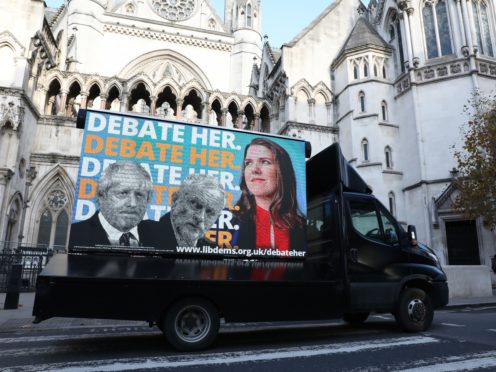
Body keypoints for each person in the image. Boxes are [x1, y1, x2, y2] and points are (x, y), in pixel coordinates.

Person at [234, 138, 306, 253]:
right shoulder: (231, 220)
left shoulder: (301, 226)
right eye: (248, 163)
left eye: (265, 162)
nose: (255, 170)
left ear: (282, 171)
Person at [68, 161, 157, 249]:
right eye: (123, 193)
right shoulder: (73, 235)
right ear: (101, 196)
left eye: (139, 194)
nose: (133, 203)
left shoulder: (162, 235)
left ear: (148, 199)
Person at [158, 174, 225, 248]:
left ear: (216, 218)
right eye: (195, 205)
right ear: (175, 200)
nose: (200, 217)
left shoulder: (214, 250)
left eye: (209, 212)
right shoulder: (145, 232)